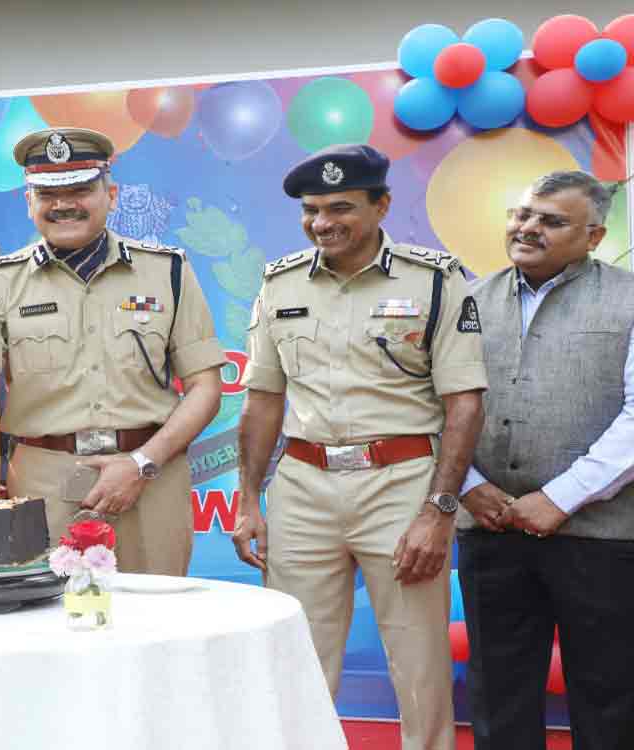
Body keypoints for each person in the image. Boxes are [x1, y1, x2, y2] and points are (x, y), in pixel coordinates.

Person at [232, 144, 488, 750]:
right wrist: (248, 501)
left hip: (401, 484)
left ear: (382, 206)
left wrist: (439, 510)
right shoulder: (280, 281)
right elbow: (263, 398)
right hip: (302, 484)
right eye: (312, 210)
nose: (323, 222)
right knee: (295, 653)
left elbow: (465, 403)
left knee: (417, 658)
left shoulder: (436, 280)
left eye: (340, 207)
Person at [0, 127, 226, 576]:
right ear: (29, 203)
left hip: (152, 475)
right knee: (49, 624)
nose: (63, 204)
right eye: (47, 194)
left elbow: (205, 387)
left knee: (157, 621)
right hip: (45, 479)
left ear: (112, 194)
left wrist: (143, 462)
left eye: (80, 189)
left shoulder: (169, 272)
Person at [457, 171, 634, 750]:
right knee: (498, 689)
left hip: (599, 533)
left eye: (551, 221)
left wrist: (560, 497)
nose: (528, 228)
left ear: (593, 235)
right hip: (490, 523)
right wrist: (469, 485)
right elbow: (430, 406)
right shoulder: (466, 302)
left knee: (609, 690)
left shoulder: (628, 297)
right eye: (522, 214)